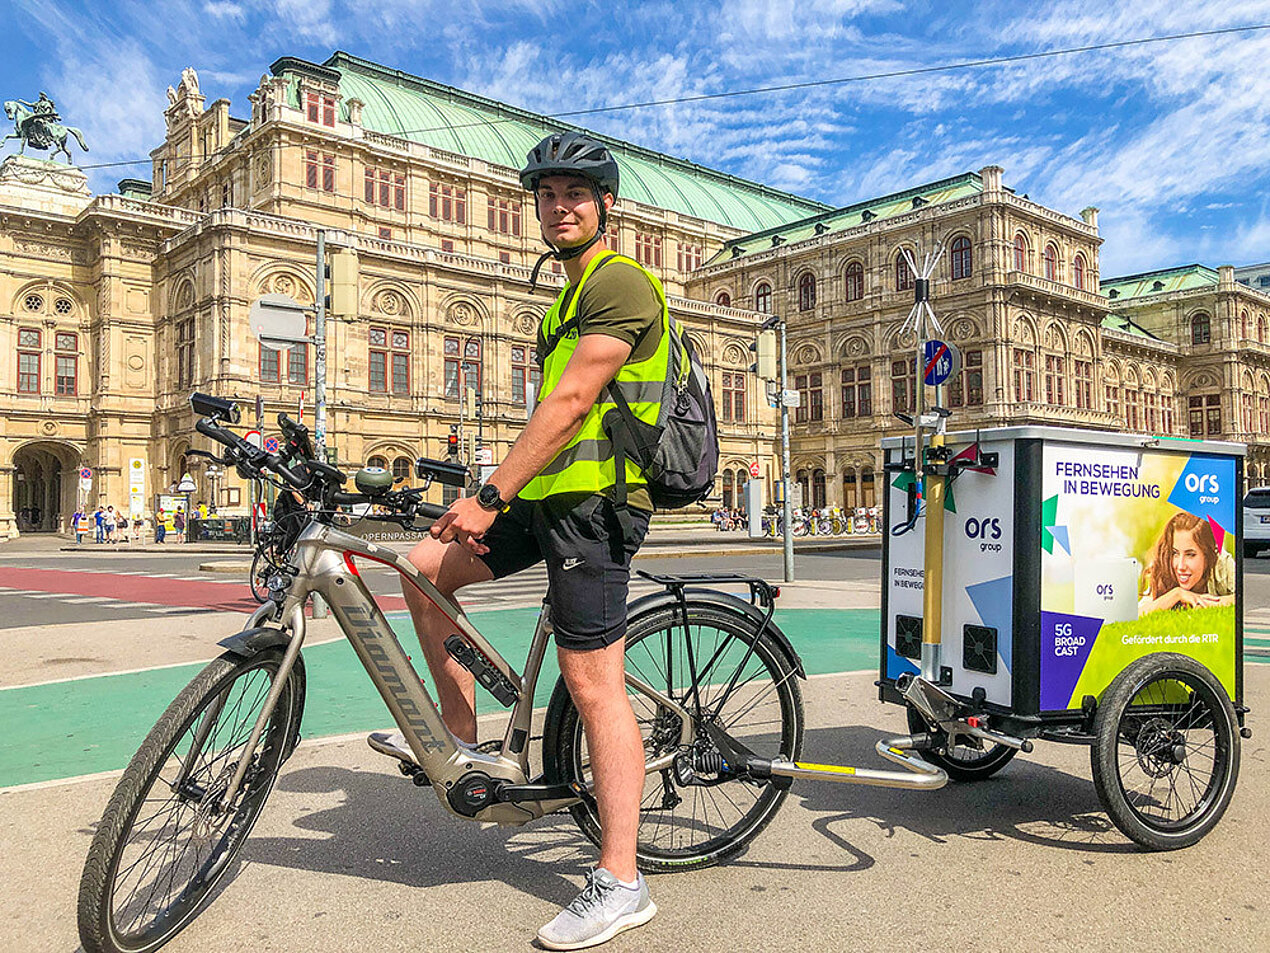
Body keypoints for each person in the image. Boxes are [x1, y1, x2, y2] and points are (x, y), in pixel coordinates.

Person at [369, 132, 659, 950]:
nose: (559, 205)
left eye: (576, 193)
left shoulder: (622, 286)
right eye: (547, 194)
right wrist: (487, 495)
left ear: (605, 205)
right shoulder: (560, 304)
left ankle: (621, 879)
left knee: (592, 681)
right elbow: (547, 424)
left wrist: (492, 495)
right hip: (547, 498)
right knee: (424, 568)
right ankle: (460, 741)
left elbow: (569, 404)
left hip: (599, 508)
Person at [1138, 511, 1235, 614]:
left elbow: (1245, 597)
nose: (1181, 566)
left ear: (1207, 556)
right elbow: (1138, 613)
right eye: (1175, 553)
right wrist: (1177, 594)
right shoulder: (1164, 566)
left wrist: (1204, 602)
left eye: (1190, 555)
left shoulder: (1221, 563)